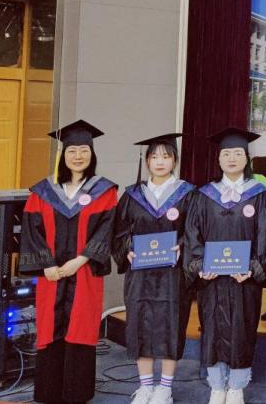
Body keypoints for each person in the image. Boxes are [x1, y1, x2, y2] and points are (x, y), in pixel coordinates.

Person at [19, 119, 118, 404]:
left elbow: (107, 229)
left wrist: (81, 259)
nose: (78, 156)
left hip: (84, 272)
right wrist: (47, 264)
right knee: (50, 324)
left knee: (81, 325)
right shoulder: (43, 191)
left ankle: (77, 393)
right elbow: (31, 231)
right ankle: (49, 392)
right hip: (52, 274)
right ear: (63, 155)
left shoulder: (104, 191)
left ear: (92, 154)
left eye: (84, 150)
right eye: (72, 150)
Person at [183, 127, 266, 404]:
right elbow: (192, 234)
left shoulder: (259, 195)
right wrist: (200, 265)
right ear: (218, 159)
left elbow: (265, 235)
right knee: (212, 329)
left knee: (243, 329)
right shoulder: (204, 195)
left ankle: (236, 387)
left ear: (247, 158)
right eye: (226, 154)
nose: (232, 159)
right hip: (212, 280)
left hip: (244, 280)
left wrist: (253, 267)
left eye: (237, 153)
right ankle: (216, 386)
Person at [113, 133, 195, 404]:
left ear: (175, 160)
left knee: (171, 325)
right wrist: (127, 248)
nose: (160, 162)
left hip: (173, 273)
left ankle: (165, 388)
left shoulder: (187, 194)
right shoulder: (132, 195)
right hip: (140, 273)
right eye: (154, 156)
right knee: (140, 324)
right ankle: (146, 386)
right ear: (147, 161)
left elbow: (196, 232)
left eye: (166, 156)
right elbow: (119, 232)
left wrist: (182, 246)